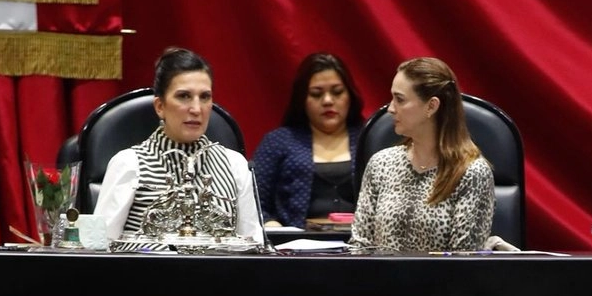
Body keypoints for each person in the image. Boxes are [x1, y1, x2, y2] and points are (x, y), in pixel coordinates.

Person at [94, 47, 262, 242]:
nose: (196, 109)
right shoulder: (130, 164)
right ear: (160, 106)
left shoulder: (235, 165)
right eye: (184, 96)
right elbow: (101, 246)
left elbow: (253, 244)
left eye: (205, 97)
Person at [350, 57, 494, 253]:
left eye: (400, 99)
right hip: (379, 282)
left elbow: (464, 264)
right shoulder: (380, 164)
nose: (391, 109)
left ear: (431, 106)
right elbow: (360, 247)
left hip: (441, 283)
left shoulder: (471, 173)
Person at [251, 53, 364, 228]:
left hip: (361, 247)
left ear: (350, 95)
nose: (327, 101)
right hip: (294, 248)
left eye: (337, 92)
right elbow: (254, 202)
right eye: (316, 94)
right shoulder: (278, 142)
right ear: (302, 99)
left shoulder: (368, 138)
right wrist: (271, 226)